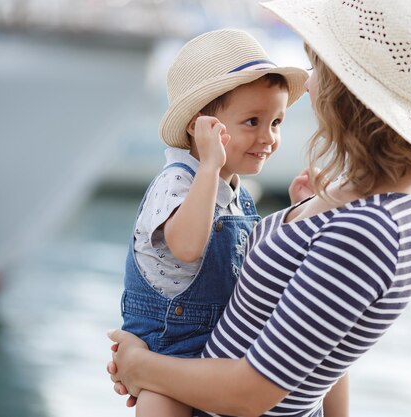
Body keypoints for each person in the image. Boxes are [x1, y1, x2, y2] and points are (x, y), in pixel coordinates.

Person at [108, 1, 411, 416]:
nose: (311, 84)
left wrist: (142, 366)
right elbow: (323, 341)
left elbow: (250, 394)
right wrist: (303, 215)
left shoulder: (369, 230)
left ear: (345, 89)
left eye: (318, 66)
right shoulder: (363, 195)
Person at [119, 28, 308, 417]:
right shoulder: (177, 183)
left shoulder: (237, 193)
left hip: (216, 351)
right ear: (199, 125)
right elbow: (188, 246)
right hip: (164, 349)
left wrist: (298, 212)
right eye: (252, 121)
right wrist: (209, 164)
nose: (269, 138)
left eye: (276, 122)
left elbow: (257, 267)